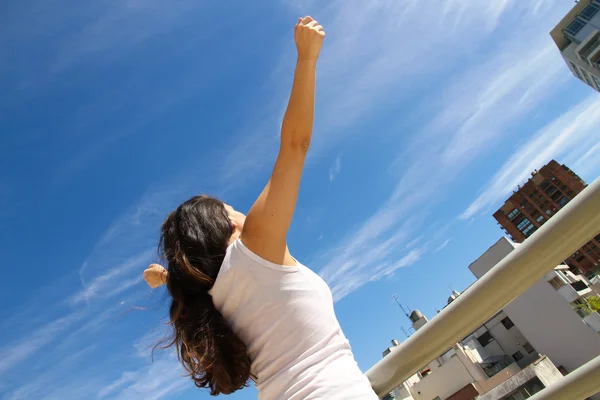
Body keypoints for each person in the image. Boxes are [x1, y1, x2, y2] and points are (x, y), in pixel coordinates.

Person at [143, 16, 379, 400]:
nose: (241, 213)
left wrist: (166, 278)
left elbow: (195, 281)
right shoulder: (252, 248)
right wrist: (307, 58)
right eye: (231, 208)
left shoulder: (216, 300)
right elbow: (294, 145)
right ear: (224, 228)